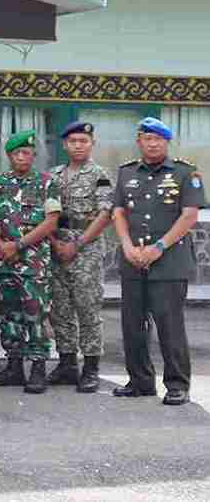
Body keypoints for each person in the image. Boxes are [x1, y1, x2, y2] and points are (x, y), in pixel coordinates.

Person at [111, 117, 205, 406]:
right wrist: (127, 246)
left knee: (169, 325)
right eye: (147, 139)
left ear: (167, 142)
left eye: (158, 139)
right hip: (133, 259)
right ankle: (140, 381)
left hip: (169, 261)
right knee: (133, 325)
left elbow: (189, 215)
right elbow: (118, 212)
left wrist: (159, 247)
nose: (152, 144)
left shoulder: (185, 172)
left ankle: (177, 384)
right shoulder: (127, 172)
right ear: (139, 142)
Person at [0, 130, 60, 393]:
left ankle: (38, 367)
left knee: (35, 314)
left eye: (26, 152)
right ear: (9, 156)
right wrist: (0, 245)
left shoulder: (47, 182)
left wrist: (17, 245)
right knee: (7, 314)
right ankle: (14, 366)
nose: (21, 157)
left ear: (33, 155)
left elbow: (51, 222)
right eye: (16, 153)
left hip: (34, 263)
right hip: (4, 261)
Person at [47, 120, 114, 393]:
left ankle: (91, 367)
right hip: (57, 245)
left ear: (92, 144)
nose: (78, 146)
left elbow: (105, 214)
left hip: (87, 248)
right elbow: (46, 213)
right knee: (60, 308)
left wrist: (78, 244)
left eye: (83, 141)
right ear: (65, 145)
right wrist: (54, 242)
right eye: (73, 141)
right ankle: (67, 363)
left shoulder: (99, 175)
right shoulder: (53, 175)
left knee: (87, 308)